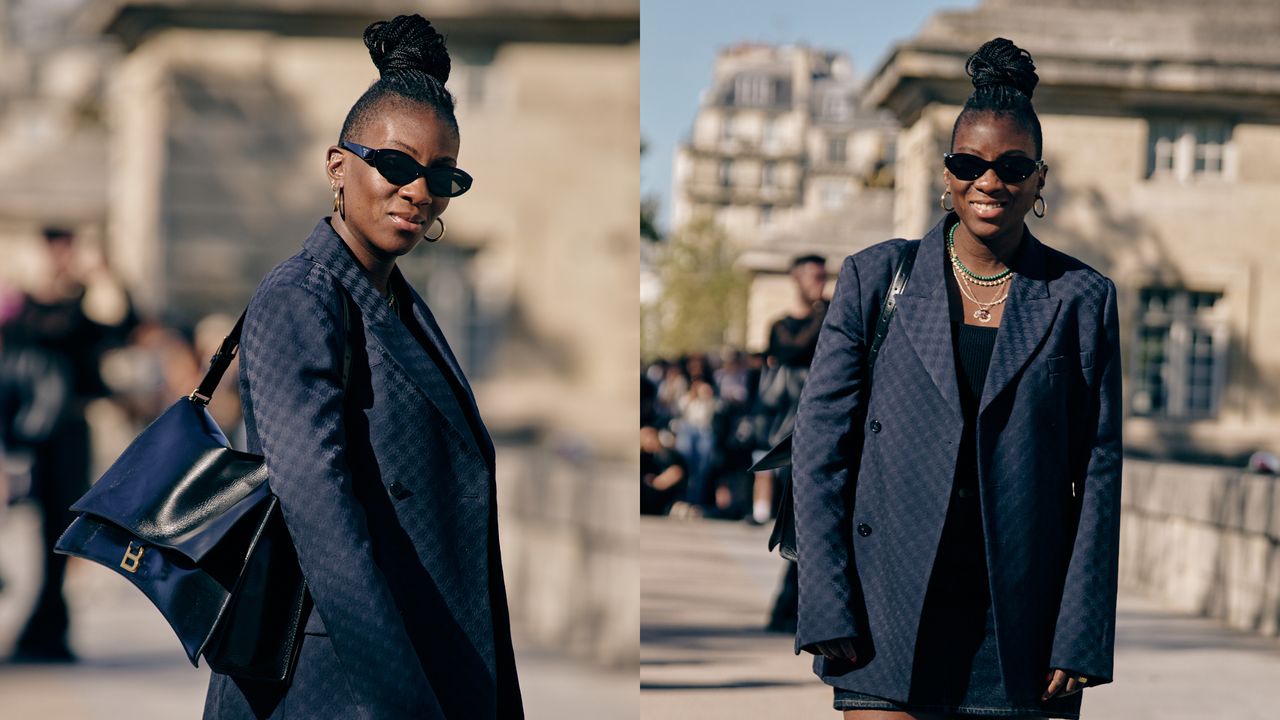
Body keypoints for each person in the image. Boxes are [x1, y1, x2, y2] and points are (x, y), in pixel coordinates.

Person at [202, 15, 522, 719]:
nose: (419, 191)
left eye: (443, 177)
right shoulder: (301, 296)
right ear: (338, 165)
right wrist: (401, 699)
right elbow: (319, 514)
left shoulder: (397, 299)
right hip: (335, 678)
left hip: (422, 654)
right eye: (398, 165)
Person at [792, 38, 1122, 719]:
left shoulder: (1081, 296)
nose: (989, 182)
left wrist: (1082, 633)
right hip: (885, 608)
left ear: (1039, 180)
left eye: (1012, 166)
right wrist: (825, 601)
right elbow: (819, 448)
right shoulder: (873, 278)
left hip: (1019, 619)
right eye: (968, 163)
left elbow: (1099, 468)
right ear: (946, 175)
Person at [1, 227, 135, 663]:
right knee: (41, 531)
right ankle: (44, 627)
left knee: (61, 530)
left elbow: (123, 328)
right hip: (34, 435)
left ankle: (48, 626)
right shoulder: (28, 308)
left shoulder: (82, 307)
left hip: (70, 432)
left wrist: (105, 277)